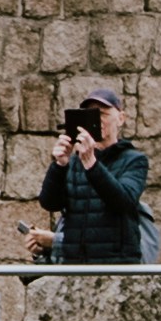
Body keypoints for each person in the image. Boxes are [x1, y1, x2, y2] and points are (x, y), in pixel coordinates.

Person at [34, 91, 151, 264]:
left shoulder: (134, 160)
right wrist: (60, 165)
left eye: (103, 114)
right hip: (76, 262)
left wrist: (92, 164)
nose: (97, 120)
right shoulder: (75, 162)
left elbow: (123, 202)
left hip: (117, 262)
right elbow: (50, 203)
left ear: (120, 118)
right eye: (91, 115)